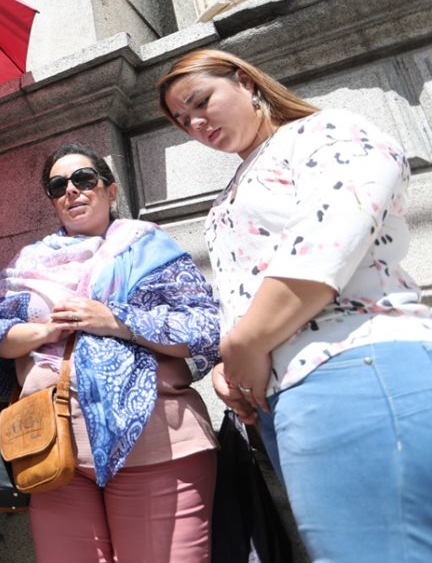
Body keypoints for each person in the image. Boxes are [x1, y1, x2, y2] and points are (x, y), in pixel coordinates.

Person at [157, 50, 432, 561]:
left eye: (200, 102)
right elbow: (246, 290)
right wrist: (232, 362)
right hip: (289, 398)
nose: (195, 123)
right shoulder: (233, 188)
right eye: (182, 120)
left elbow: (329, 241)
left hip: (354, 360)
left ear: (244, 80)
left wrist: (243, 343)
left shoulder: (326, 132)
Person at [0, 142, 221, 563]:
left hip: (156, 444)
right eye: (58, 186)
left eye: (83, 179)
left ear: (110, 191)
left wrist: (114, 320)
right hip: (51, 451)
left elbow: (206, 327)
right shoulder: (28, 262)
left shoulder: (149, 248)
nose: (71, 190)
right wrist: (45, 329)